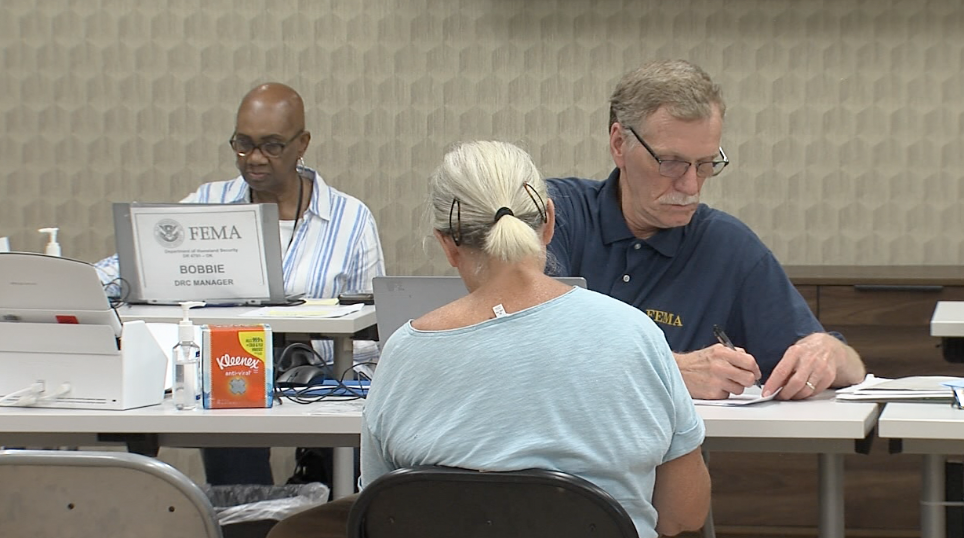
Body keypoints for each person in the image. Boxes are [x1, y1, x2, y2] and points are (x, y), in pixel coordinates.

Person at [268, 141, 710, 538]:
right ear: (550, 221)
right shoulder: (634, 335)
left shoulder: (403, 354)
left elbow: (384, 510)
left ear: (448, 243)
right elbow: (682, 516)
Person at [96, 82, 386, 485]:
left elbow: (370, 340)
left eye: (271, 146)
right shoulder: (207, 204)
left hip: (320, 382)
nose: (254, 159)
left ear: (302, 144)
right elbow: (132, 269)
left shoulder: (350, 219)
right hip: (227, 378)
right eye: (243, 144)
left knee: (349, 455)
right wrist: (77, 284)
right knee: (228, 433)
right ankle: (245, 521)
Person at [547, 59, 866, 401]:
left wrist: (831, 353)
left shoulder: (727, 246)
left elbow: (844, 367)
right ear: (619, 145)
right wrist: (671, 371)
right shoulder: (554, 217)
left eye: (705, 165)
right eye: (670, 163)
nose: (690, 185)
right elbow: (524, 347)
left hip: (675, 454)